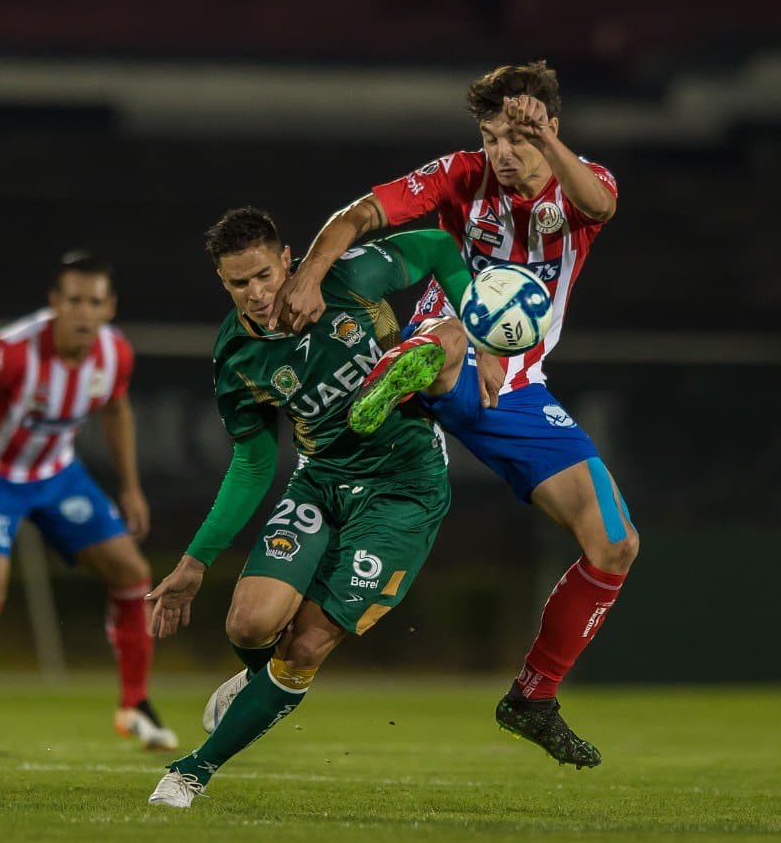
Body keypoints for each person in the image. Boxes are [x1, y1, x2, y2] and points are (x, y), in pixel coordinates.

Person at [266, 61, 638, 769]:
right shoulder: (463, 174)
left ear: (553, 130)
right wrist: (310, 273)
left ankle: (533, 696)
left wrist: (547, 148)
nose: (501, 150)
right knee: (450, 335)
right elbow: (359, 214)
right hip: (451, 352)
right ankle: (396, 378)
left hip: (522, 390)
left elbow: (600, 205)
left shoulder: (584, 182)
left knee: (614, 542)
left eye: (519, 136)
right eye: (492, 134)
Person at [144, 207, 474, 808]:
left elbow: (437, 247)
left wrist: (483, 329)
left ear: (288, 259)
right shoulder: (237, 356)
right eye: (240, 283)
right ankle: (256, 684)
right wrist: (195, 561)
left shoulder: (347, 278)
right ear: (223, 282)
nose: (258, 292)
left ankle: (192, 771)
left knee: (306, 645)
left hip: (403, 489)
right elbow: (251, 464)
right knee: (248, 626)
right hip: (320, 480)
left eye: (266, 275)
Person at [0, 250, 177, 752]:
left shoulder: (115, 353)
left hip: (57, 474)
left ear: (109, 307)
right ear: (55, 302)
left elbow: (117, 410)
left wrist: (131, 487)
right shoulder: (13, 351)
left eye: (93, 302)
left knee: (132, 572)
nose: (82, 311)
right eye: (73, 300)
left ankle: (135, 705)